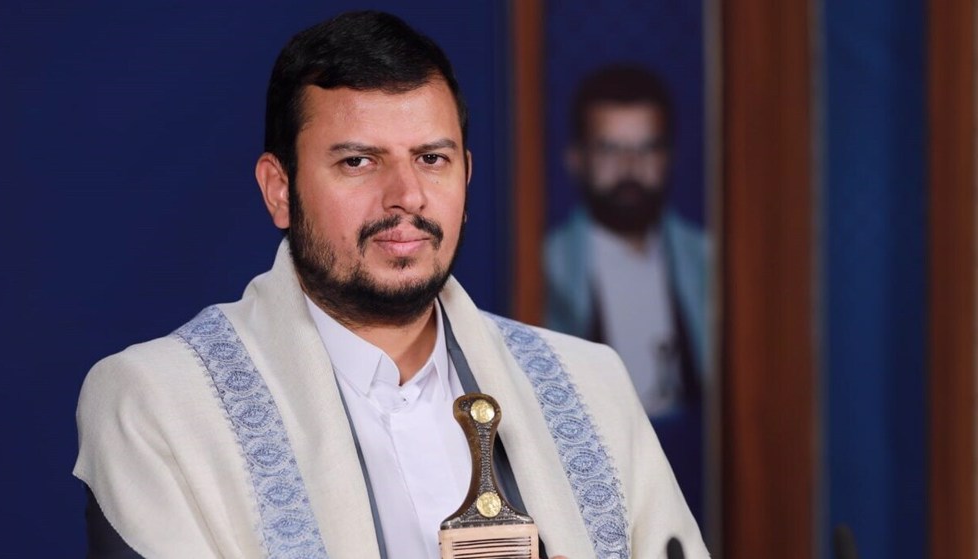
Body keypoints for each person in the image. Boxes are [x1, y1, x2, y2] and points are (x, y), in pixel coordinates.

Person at [74, 12, 706, 559]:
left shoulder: (592, 386)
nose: (406, 197)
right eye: (358, 161)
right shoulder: (156, 403)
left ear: (466, 176)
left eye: (432, 159)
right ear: (279, 189)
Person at [543, 65, 709, 520]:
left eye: (646, 149)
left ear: (670, 156)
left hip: (702, 478)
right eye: (611, 150)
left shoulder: (710, 263)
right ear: (576, 158)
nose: (630, 169)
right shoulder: (546, 268)